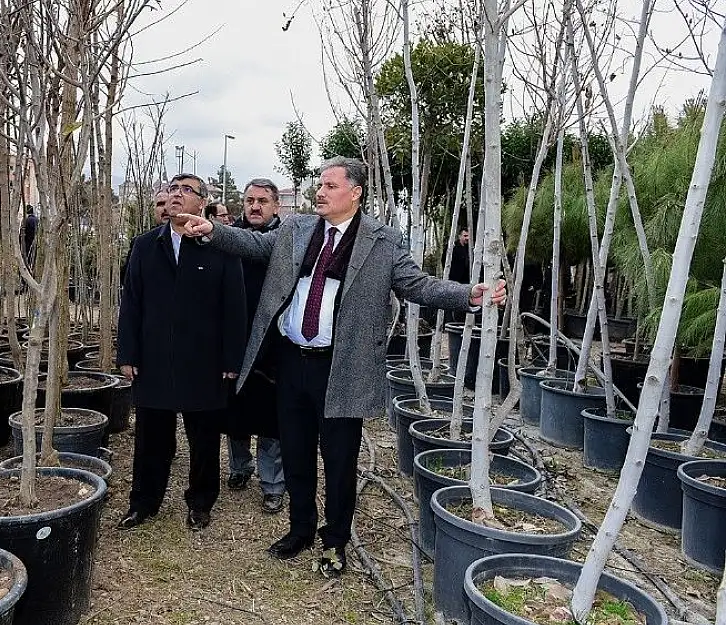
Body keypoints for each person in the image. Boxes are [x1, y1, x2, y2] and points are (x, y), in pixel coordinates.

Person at [176, 157, 505, 577]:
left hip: (342, 367)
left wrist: (468, 295)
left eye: (330, 186)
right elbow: (255, 245)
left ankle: (334, 542)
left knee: (339, 460)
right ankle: (300, 530)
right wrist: (213, 231)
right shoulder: (295, 229)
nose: (320, 192)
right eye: (319, 184)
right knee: (295, 454)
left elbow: (417, 285)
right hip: (291, 363)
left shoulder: (381, 241)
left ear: (355, 192)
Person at [116, 173, 247, 532]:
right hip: (154, 358)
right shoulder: (145, 246)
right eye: (173, 189)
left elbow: (234, 308)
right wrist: (128, 352)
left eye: (186, 190)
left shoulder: (219, 247)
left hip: (203, 361)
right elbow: (131, 303)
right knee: (151, 438)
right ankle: (144, 503)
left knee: (203, 439)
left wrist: (231, 360)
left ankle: (201, 502)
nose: (176, 195)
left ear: (201, 202)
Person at [224, 178, 285, 514]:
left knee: (270, 417)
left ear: (276, 205)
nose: (255, 206)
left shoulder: (288, 242)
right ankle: (239, 467)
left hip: (275, 344)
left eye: (263, 200)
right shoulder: (227, 237)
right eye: (249, 200)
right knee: (234, 412)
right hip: (236, 338)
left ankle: (273, 483)